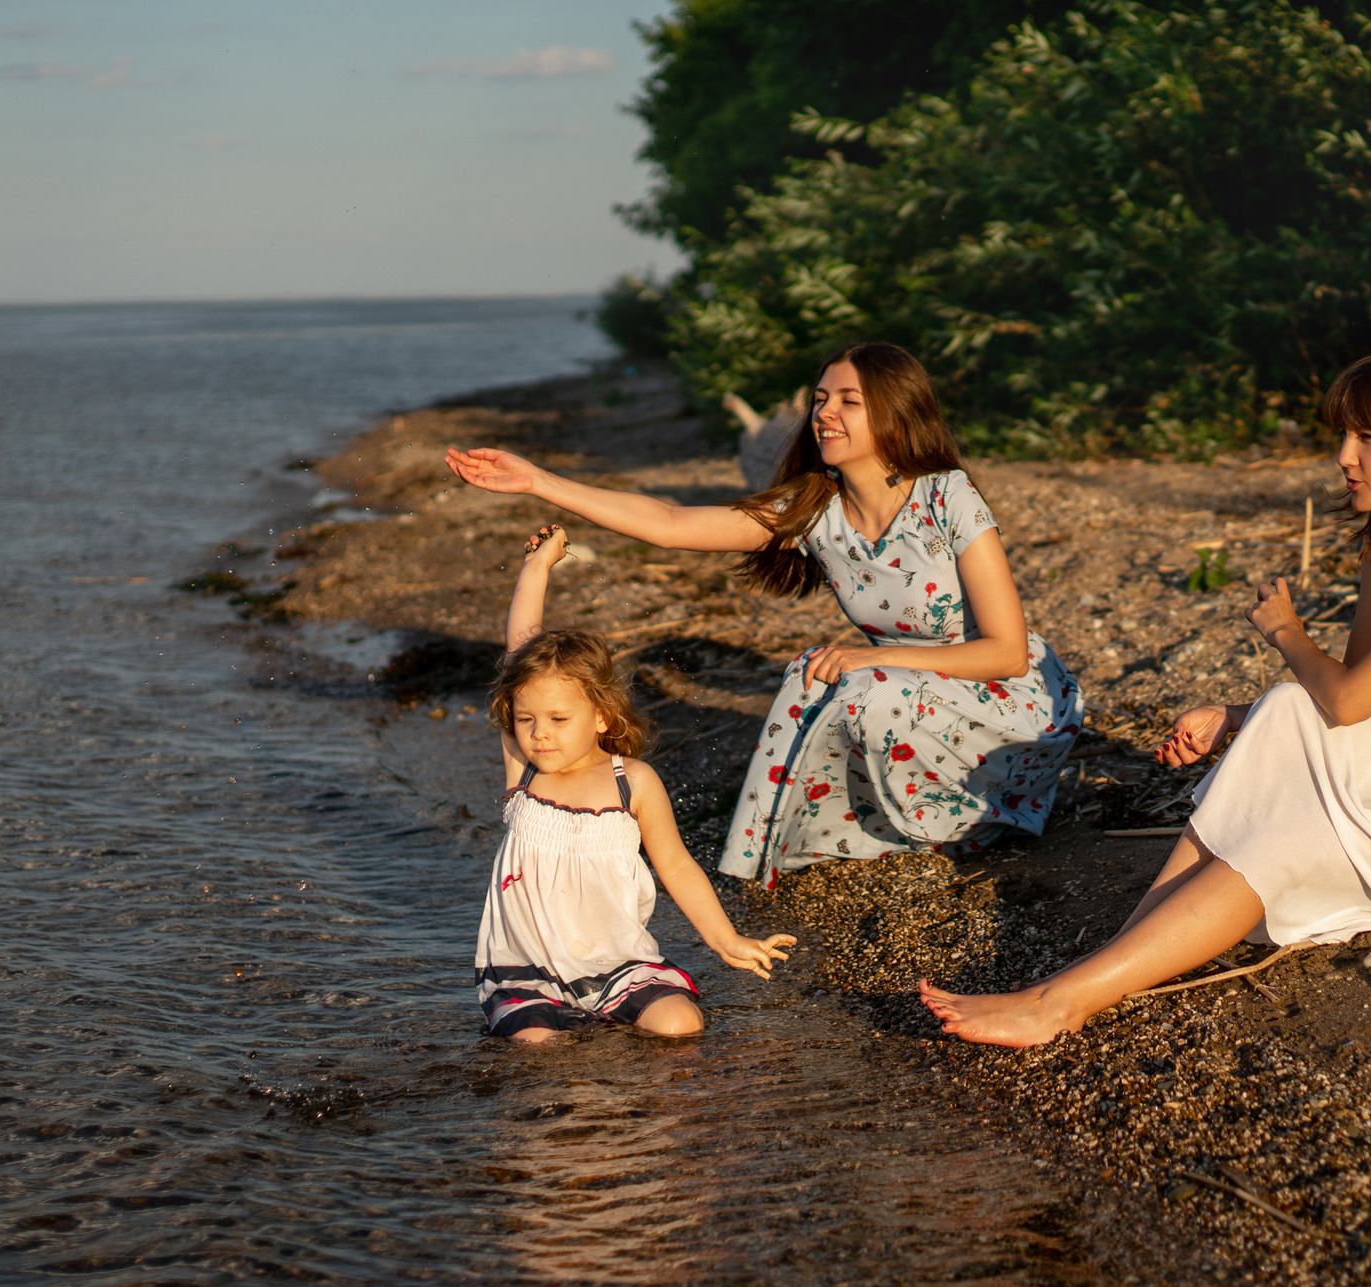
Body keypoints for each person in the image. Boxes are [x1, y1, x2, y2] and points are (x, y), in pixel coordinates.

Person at [920, 351, 1371, 1047]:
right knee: (1287, 708)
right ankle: (1126, 948)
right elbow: (1341, 696)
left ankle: (1063, 1001)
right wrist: (1240, 717)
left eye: (1369, 437)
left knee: (1299, 834)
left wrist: (1287, 632)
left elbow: (1348, 702)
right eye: (1342, 436)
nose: (1346, 457)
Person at [445, 342, 1083, 886]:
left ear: (896, 415)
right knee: (819, 677)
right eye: (821, 399)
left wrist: (873, 657)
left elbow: (1008, 651)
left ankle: (969, 820)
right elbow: (669, 524)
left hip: (1008, 700)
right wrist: (538, 482)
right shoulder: (814, 508)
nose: (823, 413)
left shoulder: (947, 496)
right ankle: (770, 856)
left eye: (847, 402)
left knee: (863, 685)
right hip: (908, 688)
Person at [474, 524, 795, 1040]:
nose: (539, 734)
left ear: (601, 716)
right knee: (536, 1046)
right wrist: (536, 568)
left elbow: (676, 865)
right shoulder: (525, 772)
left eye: (558, 720)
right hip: (527, 970)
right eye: (526, 719)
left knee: (679, 1025)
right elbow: (518, 653)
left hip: (619, 963)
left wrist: (726, 939)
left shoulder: (633, 782)